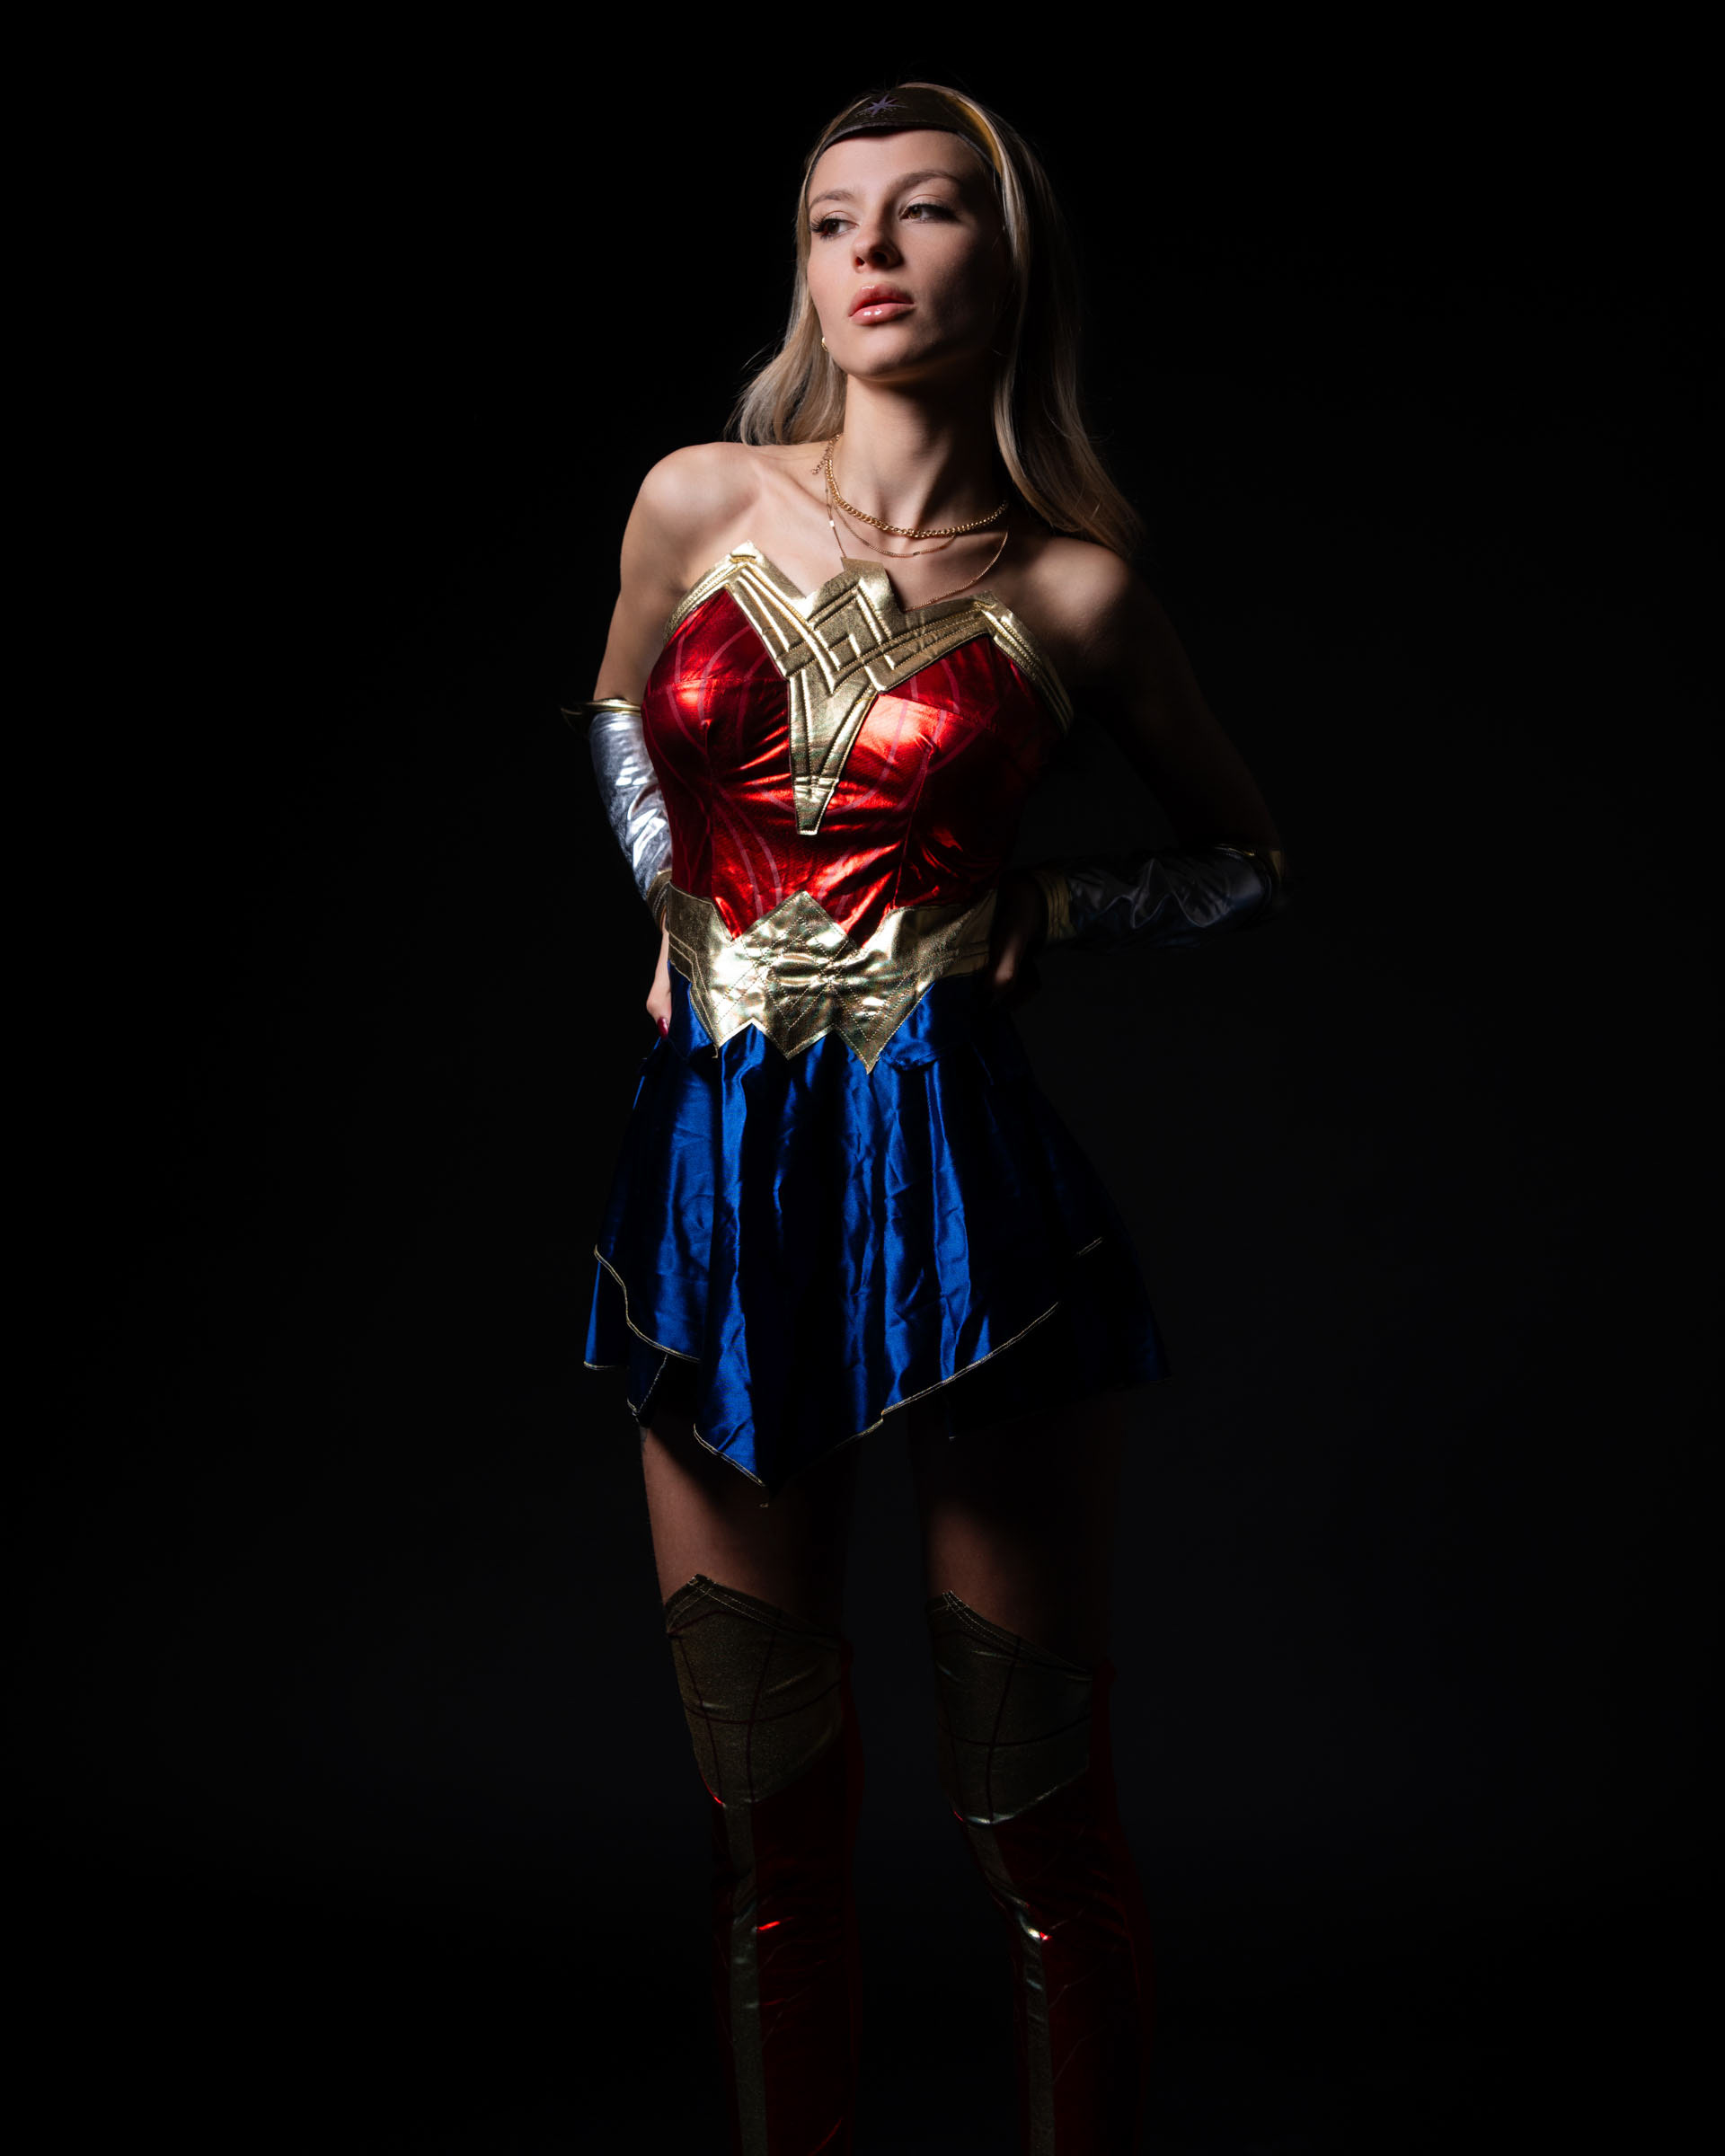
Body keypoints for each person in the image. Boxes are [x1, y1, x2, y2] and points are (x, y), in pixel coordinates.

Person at [571, 82, 1287, 2156]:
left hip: (964, 1204)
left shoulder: (1076, 594)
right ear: (803, 271)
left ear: (1007, 254)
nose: (872, 250)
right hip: (712, 1184)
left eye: (927, 211)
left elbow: (1244, 854)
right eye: (830, 220)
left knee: (1029, 1806)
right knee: (762, 1815)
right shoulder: (697, 499)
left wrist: (1045, 905)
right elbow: (622, 711)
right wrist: (666, 899)